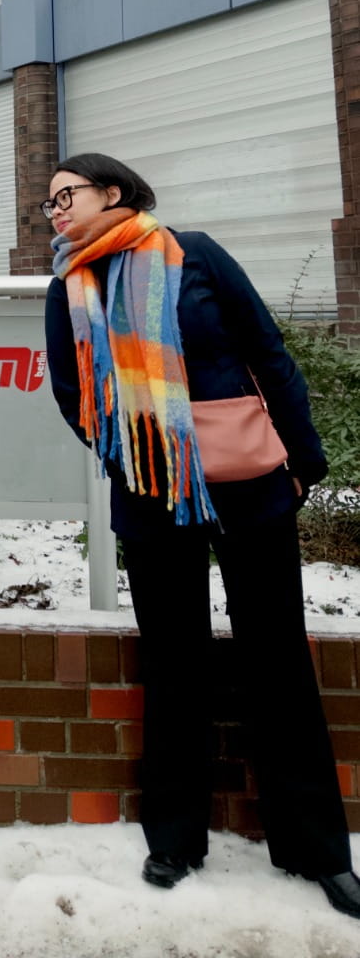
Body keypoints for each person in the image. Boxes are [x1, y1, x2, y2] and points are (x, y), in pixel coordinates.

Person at [43, 152, 360, 920]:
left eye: (65, 195)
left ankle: (318, 849)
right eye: (47, 203)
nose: (55, 210)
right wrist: (135, 457)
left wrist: (303, 461)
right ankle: (175, 840)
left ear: (113, 191)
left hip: (250, 484)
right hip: (152, 493)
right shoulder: (70, 286)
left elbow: (266, 351)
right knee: (173, 661)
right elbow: (72, 393)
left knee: (278, 657)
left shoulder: (195, 255)